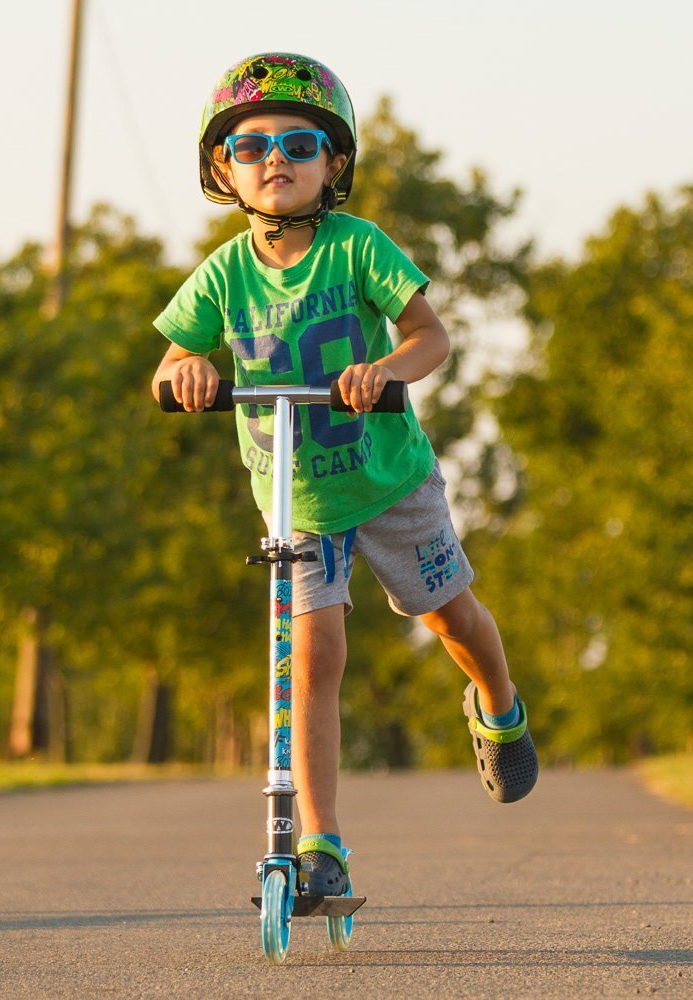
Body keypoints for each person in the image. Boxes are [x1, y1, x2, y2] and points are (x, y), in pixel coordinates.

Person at [152, 52, 537, 897]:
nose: (276, 160)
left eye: (299, 143)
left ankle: (498, 704)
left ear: (334, 164)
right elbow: (174, 356)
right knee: (311, 656)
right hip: (298, 496)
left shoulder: (358, 248)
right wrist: (187, 373)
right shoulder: (222, 273)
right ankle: (320, 845)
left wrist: (390, 369)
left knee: (449, 617)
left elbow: (430, 335)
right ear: (225, 169)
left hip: (390, 482)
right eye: (252, 148)